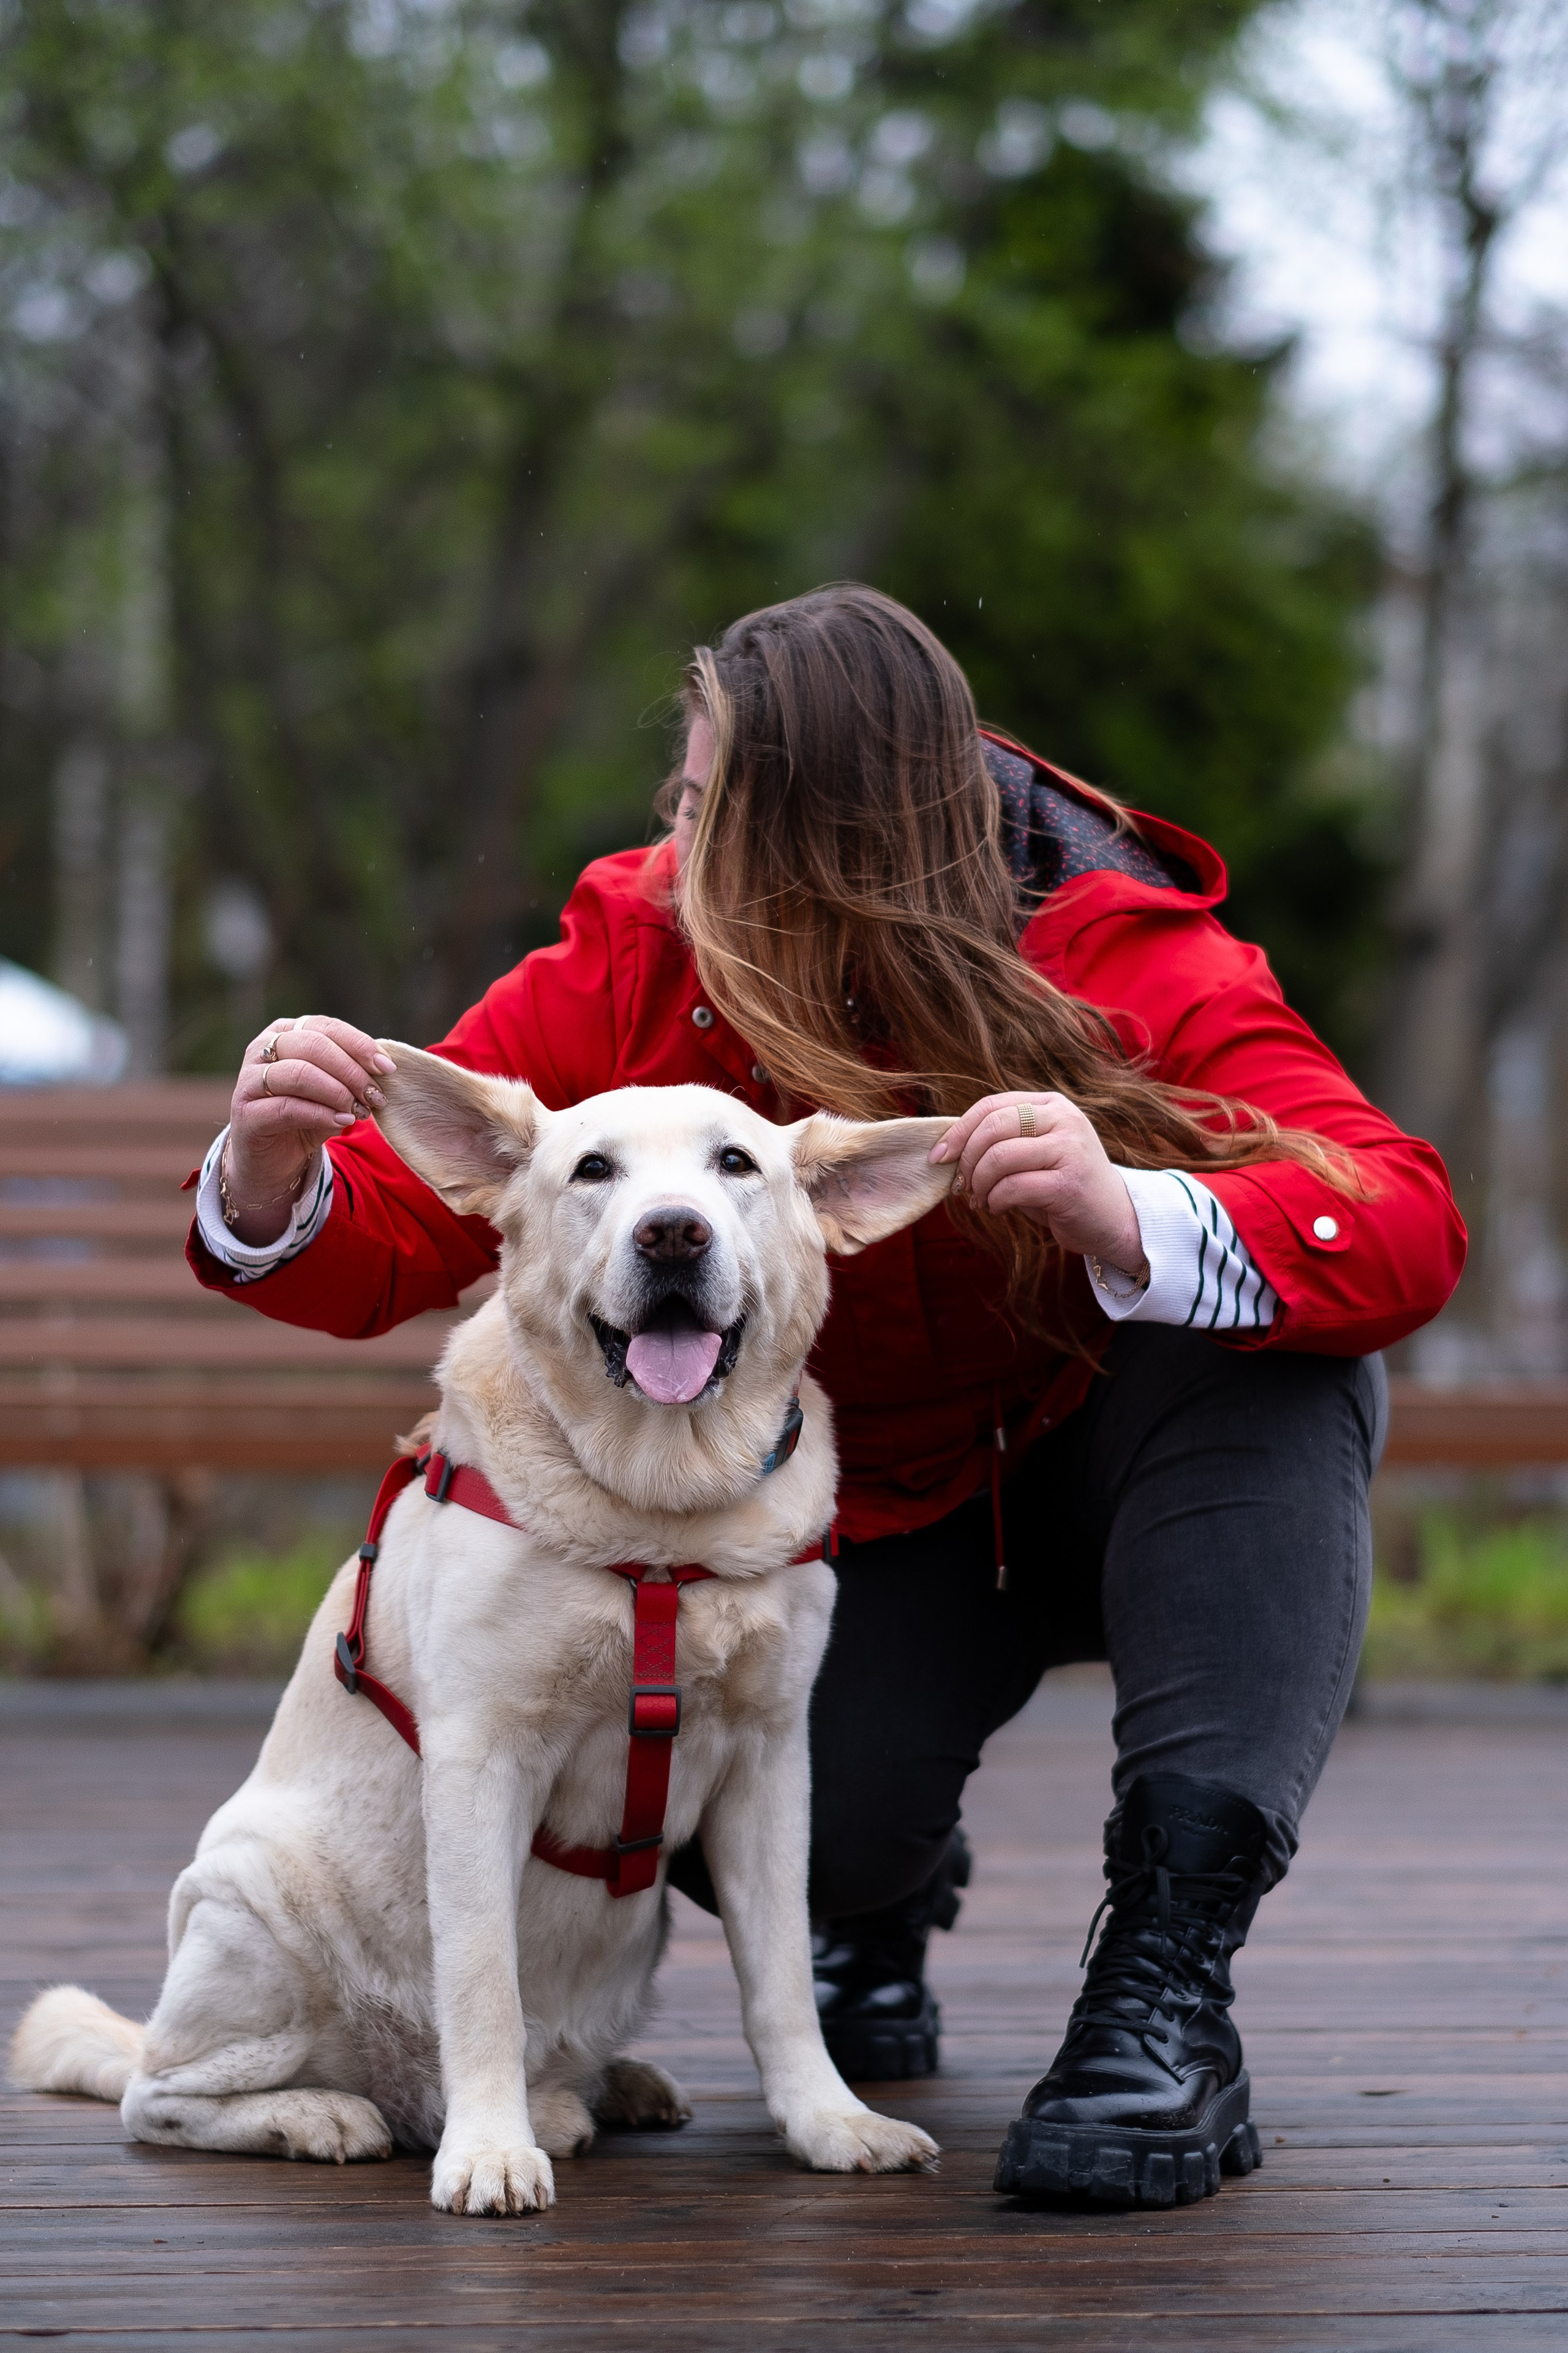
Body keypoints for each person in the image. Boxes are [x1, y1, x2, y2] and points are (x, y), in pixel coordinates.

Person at [189, 584, 1464, 2208]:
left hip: (1138, 1465)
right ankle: (879, 1903)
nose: (683, 826)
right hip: (878, 1524)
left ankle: (1166, 1986)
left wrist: (1121, 1206)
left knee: (1290, 1366)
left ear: (843, 828)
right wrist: (269, 1162)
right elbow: (393, 1232)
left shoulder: (1116, 942)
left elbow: (1405, 1219)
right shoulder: (646, 940)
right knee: (806, 1817)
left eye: (720, 800)